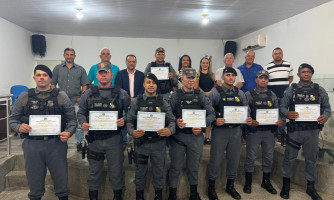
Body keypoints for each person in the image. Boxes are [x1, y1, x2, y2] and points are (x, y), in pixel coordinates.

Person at [9, 65, 77, 200]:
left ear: (50, 78)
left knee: (61, 179)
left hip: (56, 144)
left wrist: (68, 133)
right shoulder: (24, 97)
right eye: (38, 75)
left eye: (45, 75)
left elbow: (72, 120)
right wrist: (18, 127)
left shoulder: (61, 96)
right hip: (32, 145)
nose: (41, 77)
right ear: (34, 78)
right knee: (34, 181)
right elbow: (12, 120)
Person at [77, 62, 130, 200]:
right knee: (94, 171)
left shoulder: (122, 93)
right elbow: (81, 112)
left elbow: (130, 113)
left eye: (106, 72)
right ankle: (93, 196)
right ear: (96, 75)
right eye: (101, 72)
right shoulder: (87, 94)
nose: (103, 75)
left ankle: (117, 196)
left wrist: (124, 119)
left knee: (116, 170)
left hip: (114, 139)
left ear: (111, 75)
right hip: (95, 140)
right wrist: (83, 123)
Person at [279, 64, 331, 200]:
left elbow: (327, 108)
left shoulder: (319, 90)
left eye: (308, 72)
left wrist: (325, 116)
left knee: (311, 159)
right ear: (298, 74)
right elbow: (282, 106)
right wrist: (287, 113)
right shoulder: (291, 90)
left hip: (312, 132)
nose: (306, 74)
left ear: (311, 74)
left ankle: (310, 187)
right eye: (303, 72)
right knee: (289, 158)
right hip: (295, 131)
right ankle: (286, 185)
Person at [126, 73, 175, 200]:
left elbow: (172, 121)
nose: (151, 85)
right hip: (142, 144)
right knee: (140, 172)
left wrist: (169, 131)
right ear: (144, 85)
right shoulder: (137, 102)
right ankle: (139, 197)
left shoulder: (163, 102)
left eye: (153, 83)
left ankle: (158, 197)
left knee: (159, 173)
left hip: (158, 144)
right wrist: (132, 132)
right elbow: (129, 121)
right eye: (148, 82)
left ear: (156, 85)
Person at [168, 68, 215, 200]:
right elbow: (168, 114)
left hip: (195, 138)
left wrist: (202, 125)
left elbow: (212, 114)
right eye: (188, 77)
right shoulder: (175, 95)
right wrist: (176, 121)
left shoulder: (201, 96)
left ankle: (194, 193)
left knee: (194, 167)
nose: (190, 80)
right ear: (181, 79)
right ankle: (172, 194)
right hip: (178, 138)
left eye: (193, 77)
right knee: (175, 168)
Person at [207, 67, 252, 200]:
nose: (231, 77)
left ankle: (230, 186)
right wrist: (215, 120)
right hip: (220, 132)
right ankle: (211, 188)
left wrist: (247, 118)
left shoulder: (240, 93)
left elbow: (246, 110)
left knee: (234, 160)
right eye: (228, 75)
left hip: (236, 131)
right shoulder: (215, 93)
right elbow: (208, 111)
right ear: (223, 77)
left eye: (233, 75)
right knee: (215, 160)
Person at [243, 70, 282, 195]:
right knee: (250, 157)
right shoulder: (249, 94)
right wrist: (249, 120)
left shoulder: (273, 95)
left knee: (268, 157)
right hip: (254, 131)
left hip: (269, 132)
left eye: (265, 78)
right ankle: (248, 182)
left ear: (267, 80)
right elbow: (245, 112)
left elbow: (277, 111)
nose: (263, 80)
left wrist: (278, 121)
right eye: (261, 78)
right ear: (256, 80)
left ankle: (266, 181)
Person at [51, 47, 89, 152]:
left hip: (76, 101)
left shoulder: (80, 69)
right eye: (67, 54)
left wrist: (81, 97)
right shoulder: (57, 68)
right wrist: (55, 96)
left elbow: (85, 85)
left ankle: (79, 143)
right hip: (61, 101)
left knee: (79, 124)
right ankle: (60, 142)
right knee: (61, 122)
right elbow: (53, 84)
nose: (69, 56)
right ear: (64, 55)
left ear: (74, 56)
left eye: (71, 54)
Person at [263, 47, 293, 143]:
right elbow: (265, 80)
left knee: (283, 117)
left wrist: (285, 86)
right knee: (272, 115)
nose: (278, 55)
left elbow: (291, 77)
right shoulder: (267, 67)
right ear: (272, 56)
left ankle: (281, 137)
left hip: (284, 95)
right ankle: (271, 135)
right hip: (272, 95)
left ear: (282, 55)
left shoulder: (288, 65)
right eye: (275, 53)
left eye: (279, 53)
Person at [115, 54, 145, 146]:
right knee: (125, 120)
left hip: (137, 102)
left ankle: (136, 141)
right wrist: (128, 98)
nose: (131, 63)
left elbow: (143, 88)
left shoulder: (141, 74)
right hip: (123, 102)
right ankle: (124, 142)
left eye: (133, 61)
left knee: (136, 121)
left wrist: (135, 98)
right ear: (126, 62)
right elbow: (118, 88)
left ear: (136, 63)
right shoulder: (120, 74)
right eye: (129, 61)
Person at [195, 57, 215, 145]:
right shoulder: (197, 74)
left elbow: (214, 86)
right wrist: (204, 93)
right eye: (203, 62)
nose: (205, 64)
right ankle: (199, 135)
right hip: (200, 97)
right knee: (201, 115)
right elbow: (196, 86)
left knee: (209, 115)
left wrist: (210, 92)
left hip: (210, 97)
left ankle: (207, 137)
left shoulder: (213, 74)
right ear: (200, 64)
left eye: (207, 63)